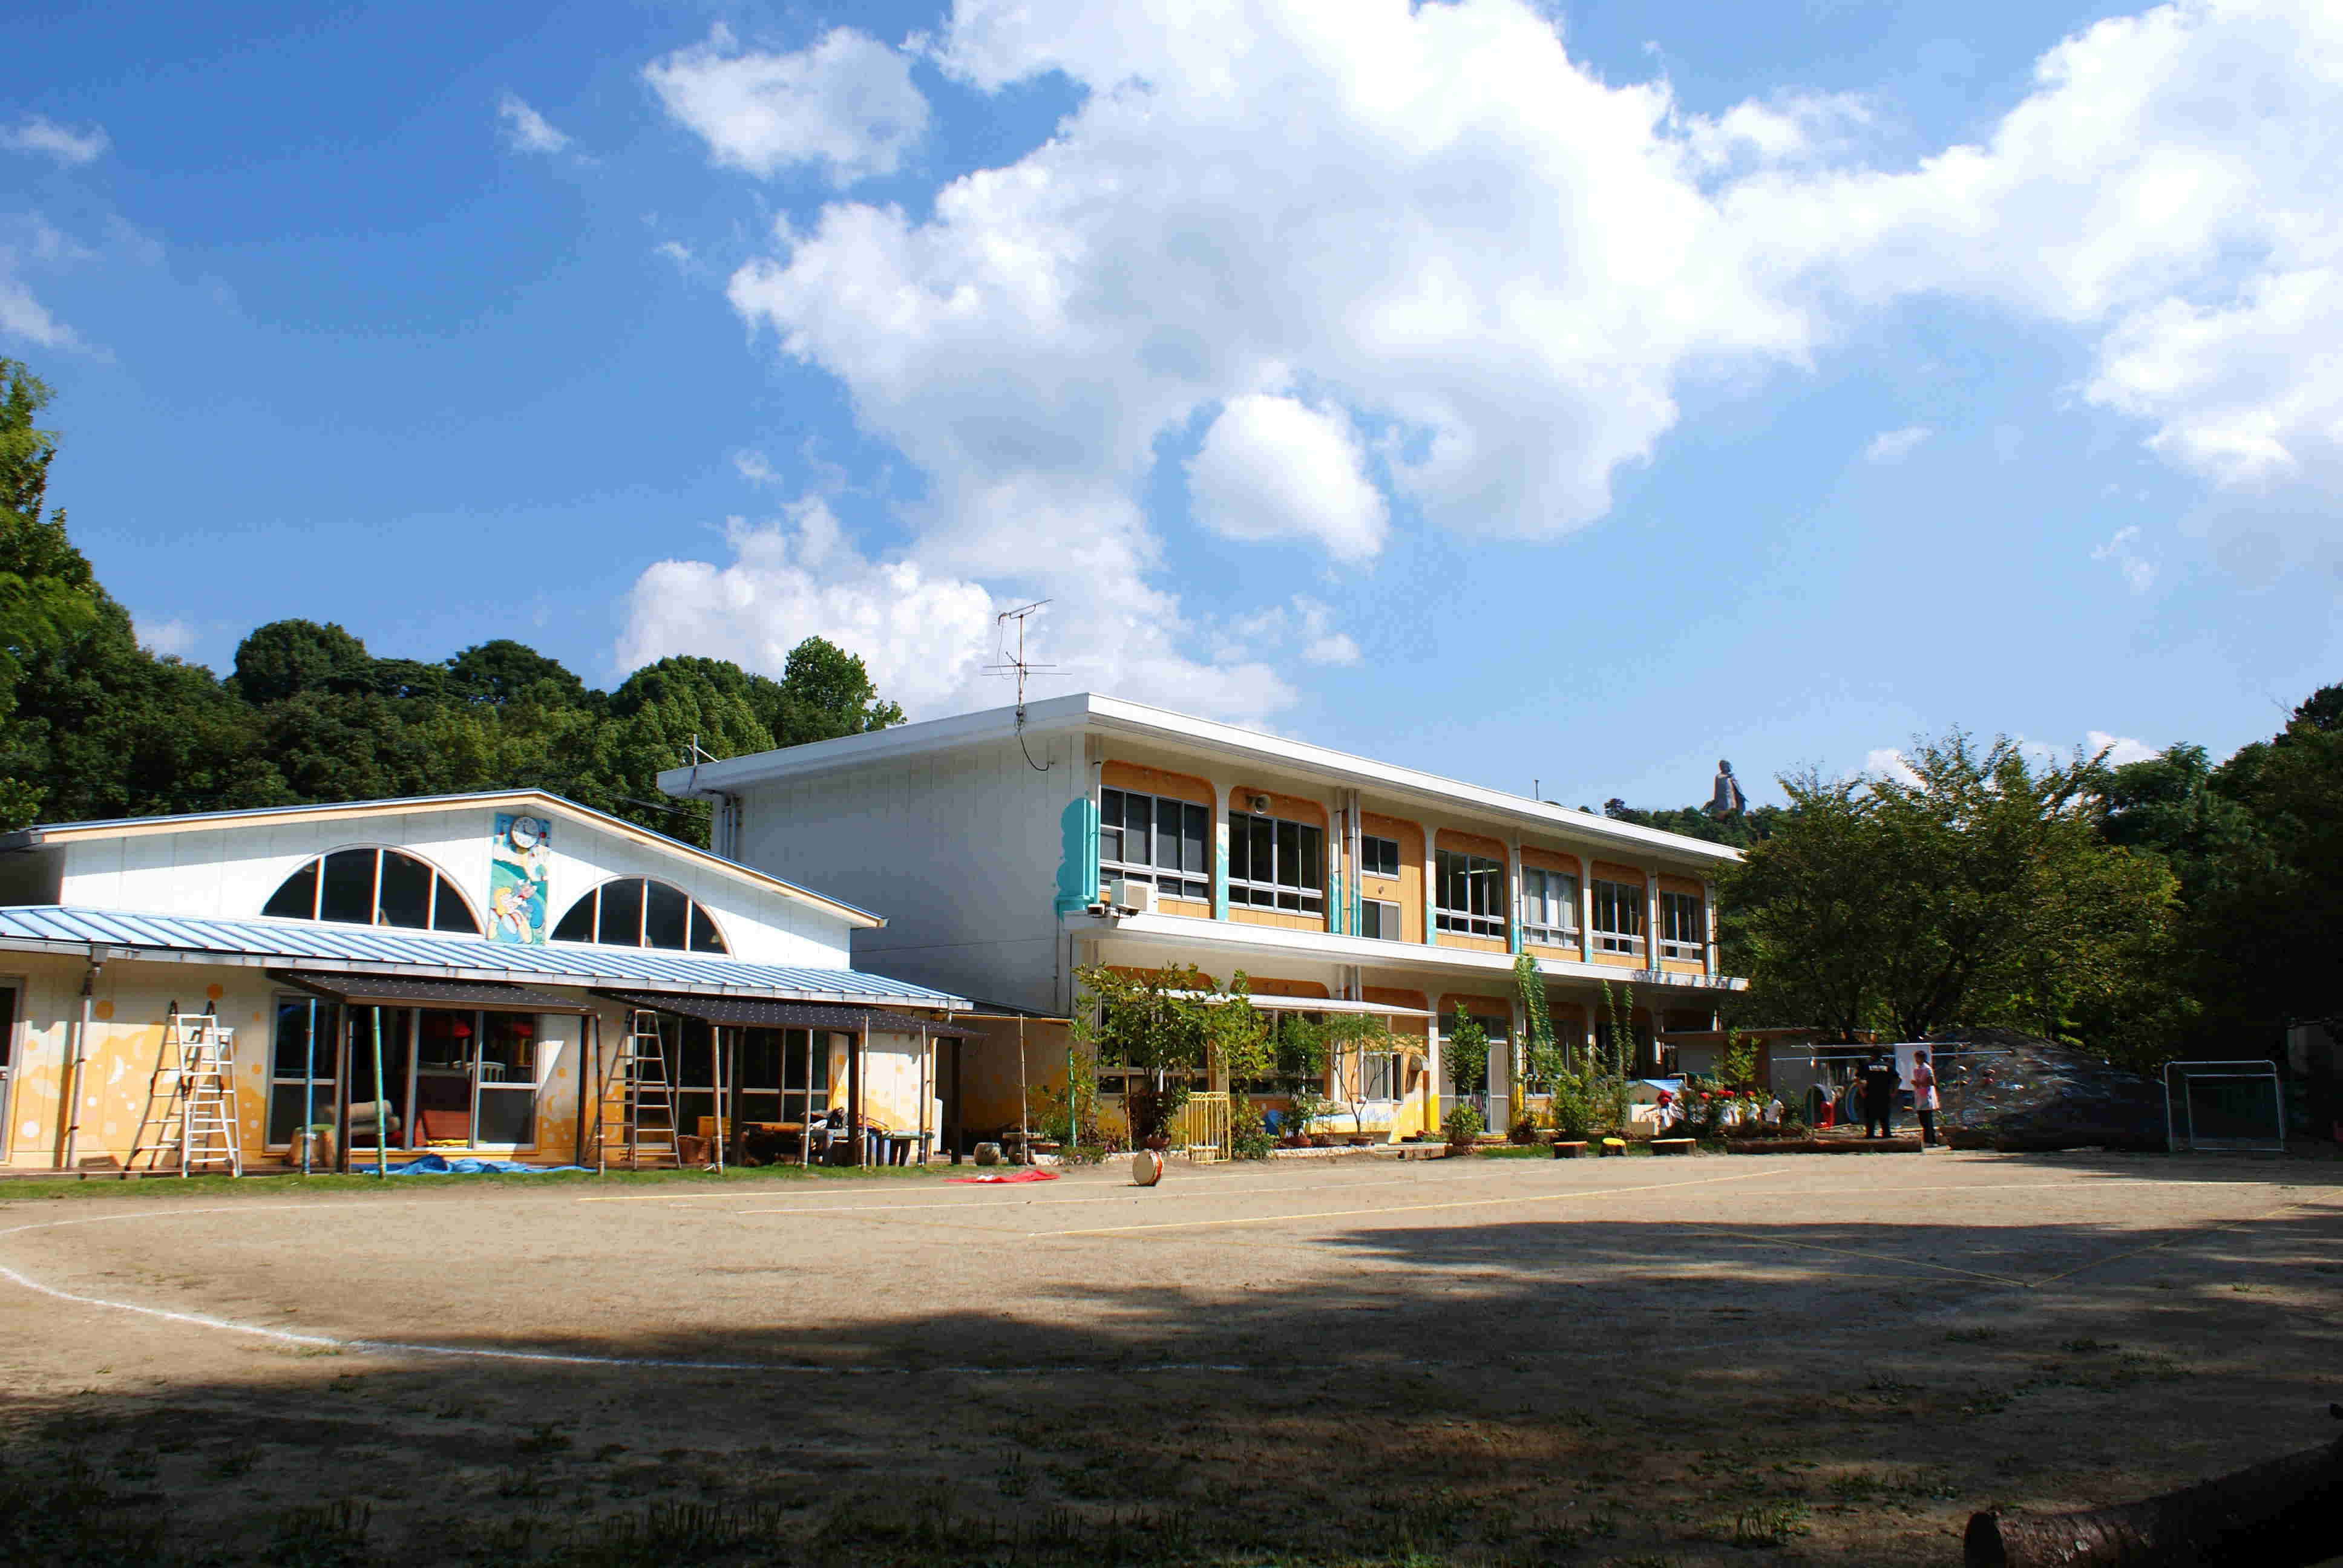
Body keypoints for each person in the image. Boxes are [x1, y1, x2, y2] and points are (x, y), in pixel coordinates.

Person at [1860, 1049, 1900, 1138]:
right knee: (1885, 1116)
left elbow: (1857, 1078)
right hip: (1885, 1094)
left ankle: (1870, 1135)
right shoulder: (1888, 1066)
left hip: (1871, 1094)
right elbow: (1898, 1079)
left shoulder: (1867, 1066)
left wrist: (1862, 1091)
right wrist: (1894, 1092)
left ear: (1872, 1056)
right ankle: (1886, 1134)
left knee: (1870, 1116)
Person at [1911, 1048, 1941, 1149]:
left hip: (1926, 1096)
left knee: (1927, 1120)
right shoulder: (1918, 1068)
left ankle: (1931, 1140)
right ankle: (1928, 1139)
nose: (1916, 1060)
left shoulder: (1927, 1069)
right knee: (1923, 1120)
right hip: (1920, 1096)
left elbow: (1932, 1082)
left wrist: (1919, 1083)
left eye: (1918, 1058)